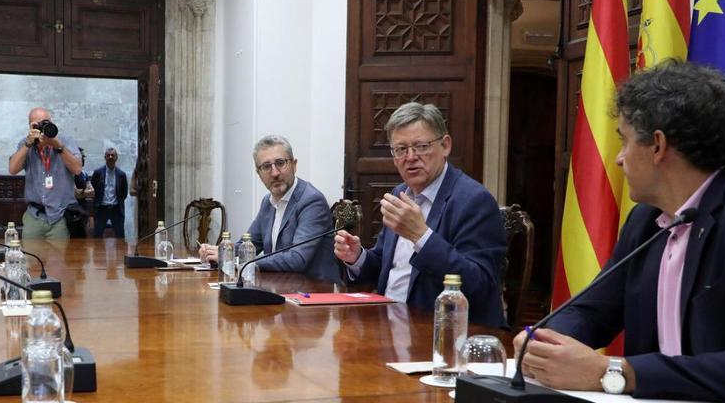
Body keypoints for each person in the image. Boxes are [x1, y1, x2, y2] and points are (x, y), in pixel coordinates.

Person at [516, 61, 725, 403]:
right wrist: (544, 342)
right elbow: (593, 310)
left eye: (624, 142)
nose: (619, 160)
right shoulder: (646, 221)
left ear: (658, 145)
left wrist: (613, 372)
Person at [333, 102, 507, 327]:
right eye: (401, 149)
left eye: (421, 146)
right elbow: (386, 267)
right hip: (389, 323)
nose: (411, 157)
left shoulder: (473, 200)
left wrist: (421, 236)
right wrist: (357, 257)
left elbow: (480, 286)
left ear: (445, 146)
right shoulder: (400, 193)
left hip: (441, 331)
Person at [199, 135, 338, 282]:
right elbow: (248, 244)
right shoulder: (268, 202)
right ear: (258, 173)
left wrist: (242, 262)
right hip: (281, 286)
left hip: (315, 292)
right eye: (266, 167)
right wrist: (223, 253)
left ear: (294, 165)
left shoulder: (311, 201)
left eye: (280, 163)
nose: (275, 173)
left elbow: (297, 259)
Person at [7, 107, 83, 239]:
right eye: (37, 125)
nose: (43, 128)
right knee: (31, 256)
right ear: (31, 127)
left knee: (59, 258)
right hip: (34, 215)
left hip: (60, 216)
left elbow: (77, 169)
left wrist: (58, 146)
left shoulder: (65, 141)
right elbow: (12, 169)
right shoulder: (26, 144)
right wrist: (28, 144)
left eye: (46, 122)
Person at [91, 146, 128, 238]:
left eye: (113, 155)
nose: (110, 157)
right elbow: (92, 189)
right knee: (97, 235)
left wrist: (117, 201)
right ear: (105, 157)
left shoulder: (121, 175)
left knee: (120, 235)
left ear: (116, 158)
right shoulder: (98, 173)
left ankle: (121, 252)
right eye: (108, 155)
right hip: (101, 208)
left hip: (116, 208)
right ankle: (98, 252)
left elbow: (124, 193)